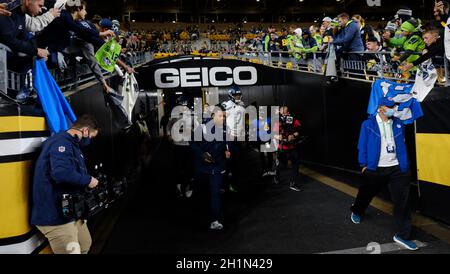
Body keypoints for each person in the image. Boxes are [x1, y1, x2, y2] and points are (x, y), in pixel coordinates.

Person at [350, 98, 418, 251]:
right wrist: (364, 166)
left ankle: (402, 235)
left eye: (394, 106)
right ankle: (357, 209)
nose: (393, 109)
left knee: (403, 202)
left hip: (398, 169)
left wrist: (405, 166)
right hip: (376, 169)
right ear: (380, 108)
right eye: (390, 107)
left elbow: (404, 141)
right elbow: (362, 145)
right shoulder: (368, 124)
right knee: (366, 193)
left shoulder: (399, 123)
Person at [30, 115, 100, 254]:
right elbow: (61, 173)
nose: (88, 141)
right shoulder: (61, 142)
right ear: (85, 131)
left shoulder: (73, 145)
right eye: (91, 137)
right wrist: (88, 180)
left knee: (85, 243)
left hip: (70, 212)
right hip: (54, 216)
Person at [191, 105, 231, 230]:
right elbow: (192, 143)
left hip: (218, 167)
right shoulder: (202, 128)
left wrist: (226, 152)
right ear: (213, 116)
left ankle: (215, 219)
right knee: (202, 193)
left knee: (215, 193)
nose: (223, 118)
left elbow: (225, 145)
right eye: (220, 116)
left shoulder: (225, 129)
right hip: (202, 168)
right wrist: (202, 155)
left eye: (224, 116)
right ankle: (199, 217)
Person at [221, 85, 246, 192]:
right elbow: (218, 120)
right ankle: (224, 185)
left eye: (239, 94)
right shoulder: (226, 105)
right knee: (228, 162)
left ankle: (235, 183)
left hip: (239, 138)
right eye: (236, 95)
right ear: (231, 95)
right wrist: (225, 132)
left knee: (238, 162)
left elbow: (242, 122)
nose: (238, 97)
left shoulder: (242, 105)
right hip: (229, 138)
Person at [273, 106, 302, 192]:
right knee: (282, 165)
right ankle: (276, 175)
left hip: (292, 147)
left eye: (287, 112)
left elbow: (299, 130)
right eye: (284, 112)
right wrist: (279, 137)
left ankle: (292, 183)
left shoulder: (293, 119)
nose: (286, 114)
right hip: (283, 148)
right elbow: (273, 134)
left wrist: (293, 135)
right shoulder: (277, 121)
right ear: (281, 113)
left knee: (296, 164)